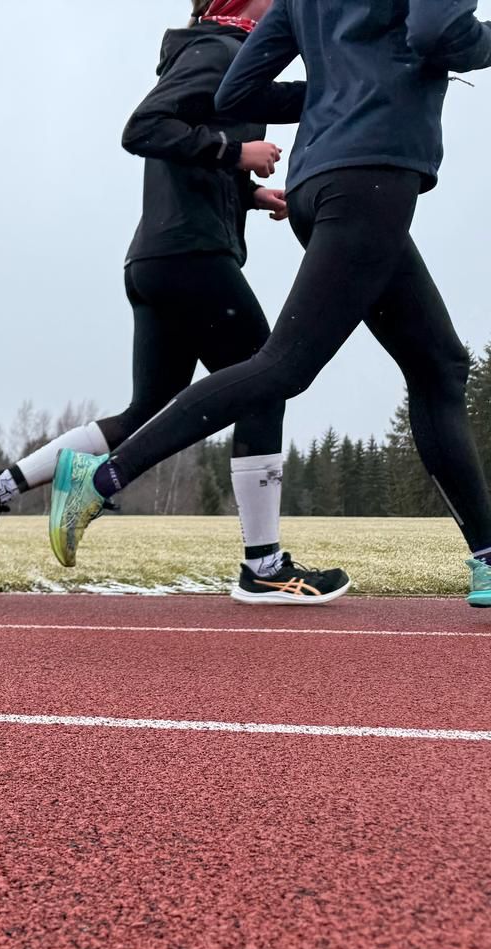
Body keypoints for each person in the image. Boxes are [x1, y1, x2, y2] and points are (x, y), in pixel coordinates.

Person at [49, 0, 491, 610]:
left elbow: (237, 92)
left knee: (440, 366)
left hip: (318, 184)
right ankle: (102, 479)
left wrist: (341, 81)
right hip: (371, 181)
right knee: (283, 365)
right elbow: (441, 30)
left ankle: (488, 559)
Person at [0, 0, 349, 605]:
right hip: (190, 258)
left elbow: (186, 152)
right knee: (266, 379)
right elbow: (143, 129)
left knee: (144, 410)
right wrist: (235, 152)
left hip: (158, 261)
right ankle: (263, 564)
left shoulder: (219, 55)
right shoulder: (216, 50)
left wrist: (249, 195)